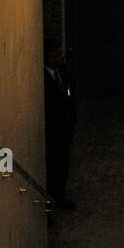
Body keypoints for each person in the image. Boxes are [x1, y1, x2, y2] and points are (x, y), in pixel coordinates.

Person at [44, 38, 75, 210]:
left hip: (64, 130)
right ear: (48, 57)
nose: (61, 57)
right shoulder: (42, 80)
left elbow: (69, 97)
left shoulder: (62, 72)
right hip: (52, 134)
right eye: (57, 54)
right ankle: (51, 202)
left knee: (63, 166)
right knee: (52, 169)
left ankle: (60, 197)